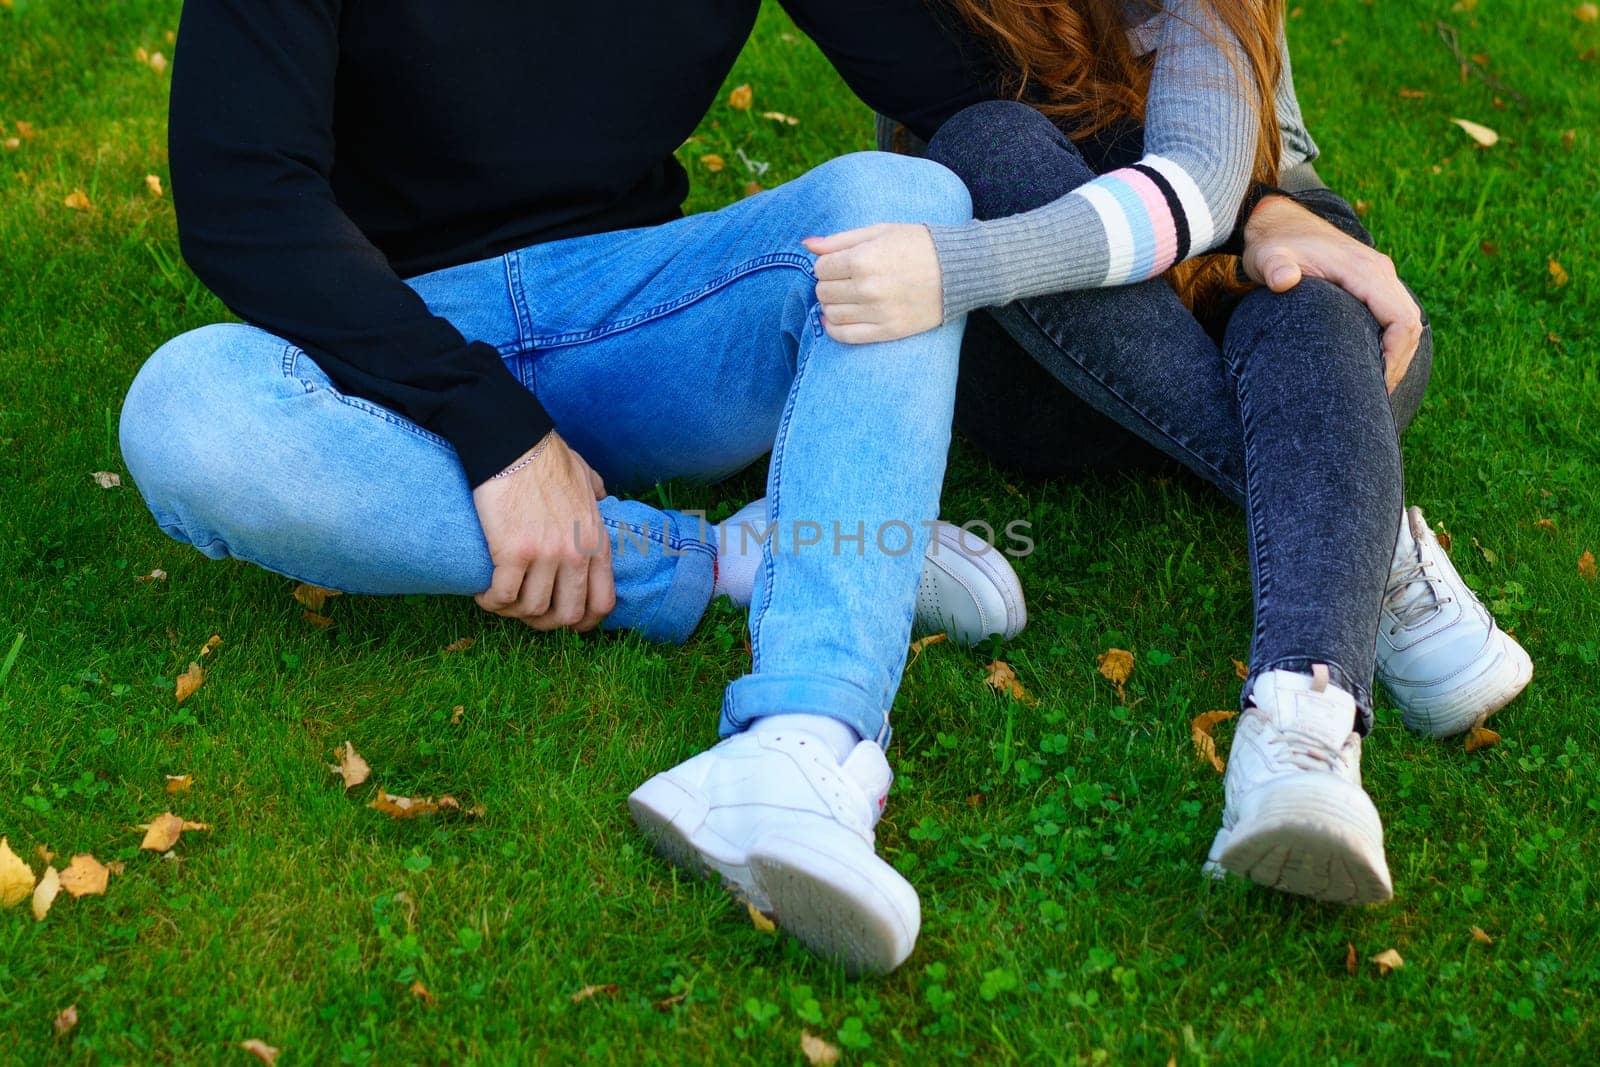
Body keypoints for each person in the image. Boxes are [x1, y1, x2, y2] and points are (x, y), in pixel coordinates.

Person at [812, 0, 1530, 904]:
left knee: (1306, 282)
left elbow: (1202, 181)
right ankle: (1361, 530)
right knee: (991, 144)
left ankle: (1301, 733)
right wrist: (968, 270)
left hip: (1243, 234)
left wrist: (955, 269)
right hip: (1048, 341)